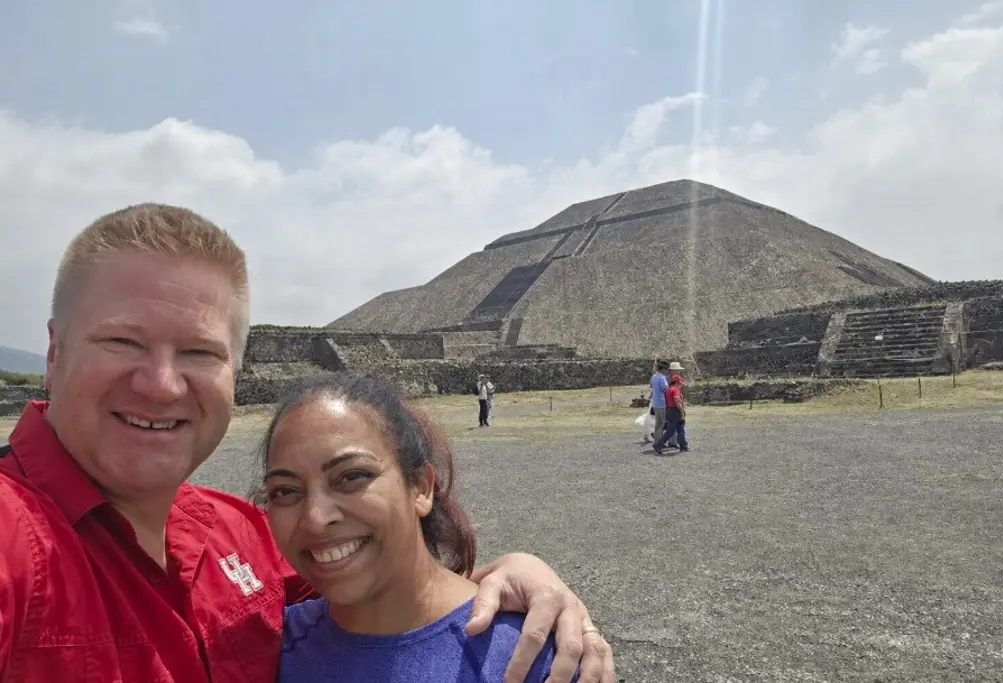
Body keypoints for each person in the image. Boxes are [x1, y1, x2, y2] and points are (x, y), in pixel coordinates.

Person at [0, 203, 614, 683]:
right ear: (54, 353)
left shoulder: (242, 536)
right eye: (122, 343)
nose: (161, 385)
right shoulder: (14, 538)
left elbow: (379, 587)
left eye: (199, 352)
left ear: (234, 373)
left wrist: (510, 573)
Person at [260, 371, 578, 682]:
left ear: (422, 487)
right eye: (285, 491)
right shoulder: (258, 649)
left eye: (352, 476)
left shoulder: (531, 658)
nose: (316, 518)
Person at [652, 374, 688, 455]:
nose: (682, 383)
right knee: (675, 430)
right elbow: (677, 401)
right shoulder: (675, 390)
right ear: (677, 382)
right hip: (675, 411)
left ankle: (683, 446)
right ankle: (658, 445)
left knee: (678, 429)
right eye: (680, 381)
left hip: (669, 410)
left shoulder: (668, 389)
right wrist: (682, 412)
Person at [647, 360, 670, 444]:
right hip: (663, 403)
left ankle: (657, 441)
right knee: (665, 424)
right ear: (663, 369)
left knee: (658, 424)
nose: (668, 371)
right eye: (667, 369)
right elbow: (666, 391)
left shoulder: (654, 377)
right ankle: (662, 442)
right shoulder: (662, 378)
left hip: (655, 403)